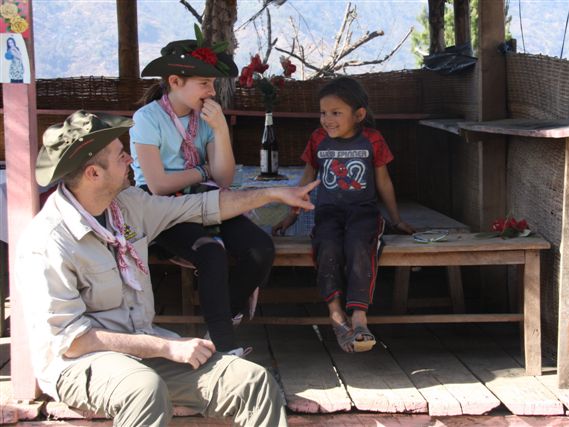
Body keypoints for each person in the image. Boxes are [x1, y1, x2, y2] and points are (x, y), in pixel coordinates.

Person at [17, 109, 319, 426]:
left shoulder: (128, 204)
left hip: (144, 349)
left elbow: (202, 207)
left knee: (253, 383)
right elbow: (74, 341)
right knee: (144, 389)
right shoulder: (48, 242)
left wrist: (270, 193)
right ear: (94, 174)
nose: (130, 162)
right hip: (80, 365)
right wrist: (166, 346)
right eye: (121, 156)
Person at [129, 38, 273, 355]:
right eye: (204, 83)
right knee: (211, 253)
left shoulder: (205, 120)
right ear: (175, 82)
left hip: (207, 200)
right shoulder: (147, 119)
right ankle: (223, 346)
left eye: (212, 83)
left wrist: (220, 130)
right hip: (163, 210)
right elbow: (158, 184)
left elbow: (224, 177)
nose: (211, 91)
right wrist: (203, 171)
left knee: (261, 248)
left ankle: (221, 319)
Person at [273, 77, 415, 353]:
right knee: (327, 247)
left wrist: (396, 219)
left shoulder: (372, 139)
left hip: (363, 213)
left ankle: (360, 315)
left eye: (336, 113)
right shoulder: (317, 139)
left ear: (359, 114)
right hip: (328, 213)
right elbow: (307, 178)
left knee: (359, 246)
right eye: (323, 113)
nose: (327, 119)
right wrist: (292, 214)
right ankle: (336, 313)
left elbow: (384, 182)